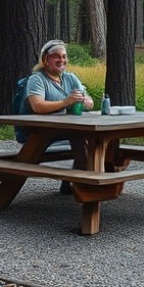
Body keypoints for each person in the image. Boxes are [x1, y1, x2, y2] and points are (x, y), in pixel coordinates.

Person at [23, 39, 95, 194]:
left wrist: (85, 101)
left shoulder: (71, 78)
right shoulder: (37, 79)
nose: (62, 60)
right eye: (57, 56)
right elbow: (38, 106)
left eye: (64, 56)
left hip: (68, 127)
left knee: (97, 137)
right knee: (79, 135)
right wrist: (65, 101)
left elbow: (89, 102)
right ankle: (86, 184)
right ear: (45, 60)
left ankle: (78, 180)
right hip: (43, 130)